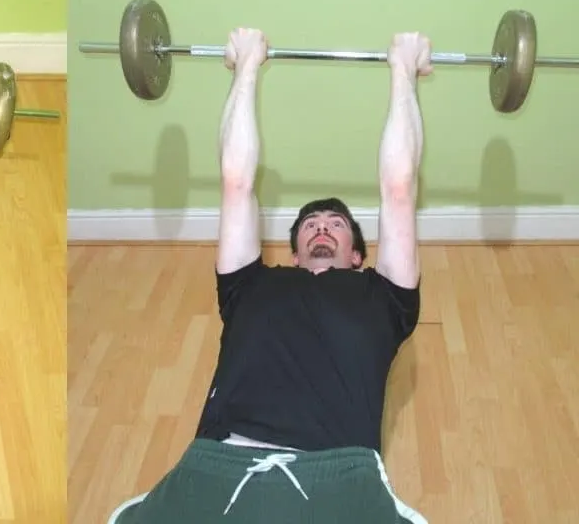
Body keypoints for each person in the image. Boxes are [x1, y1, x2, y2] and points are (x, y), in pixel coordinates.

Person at [107, 28, 432, 523]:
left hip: (337, 483)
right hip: (217, 471)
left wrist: (403, 71)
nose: (321, 228)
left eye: (337, 224)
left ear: (357, 256)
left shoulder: (387, 297)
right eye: (310, 225)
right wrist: (247, 68)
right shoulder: (248, 285)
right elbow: (237, 180)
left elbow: (400, 184)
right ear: (296, 249)